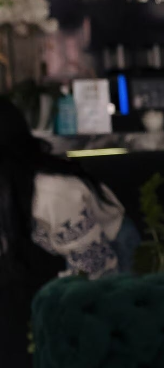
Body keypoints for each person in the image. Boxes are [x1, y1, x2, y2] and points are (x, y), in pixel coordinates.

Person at [0, 99, 140, 280]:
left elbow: (94, 265)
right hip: (60, 252)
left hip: (113, 248)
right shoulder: (10, 185)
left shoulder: (52, 192)